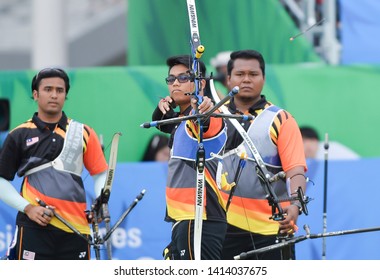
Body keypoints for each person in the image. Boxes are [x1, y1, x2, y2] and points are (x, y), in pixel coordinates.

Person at [0, 68, 108, 260]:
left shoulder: (84, 132)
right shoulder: (19, 134)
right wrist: (28, 208)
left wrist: (100, 202)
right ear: (35, 94)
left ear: (65, 95)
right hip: (33, 227)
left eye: (59, 90)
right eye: (48, 89)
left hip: (76, 228)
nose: (54, 95)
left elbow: (100, 173)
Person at [219, 50, 307, 260]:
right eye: (240, 74)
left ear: (264, 79)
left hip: (272, 229)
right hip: (220, 229)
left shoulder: (281, 119)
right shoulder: (211, 116)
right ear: (228, 79)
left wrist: (295, 205)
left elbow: (295, 170)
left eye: (253, 74)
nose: (247, 79)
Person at [152, 54, 227, 260]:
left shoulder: (203, 115)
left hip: (200, 217)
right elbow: (161, 123)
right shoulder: (181, 120)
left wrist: (203, 105)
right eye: (171, 79)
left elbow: (206, 123)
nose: (175, 83)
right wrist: (164, 106)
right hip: (184, 217)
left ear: (200, 83)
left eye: (184, 78)